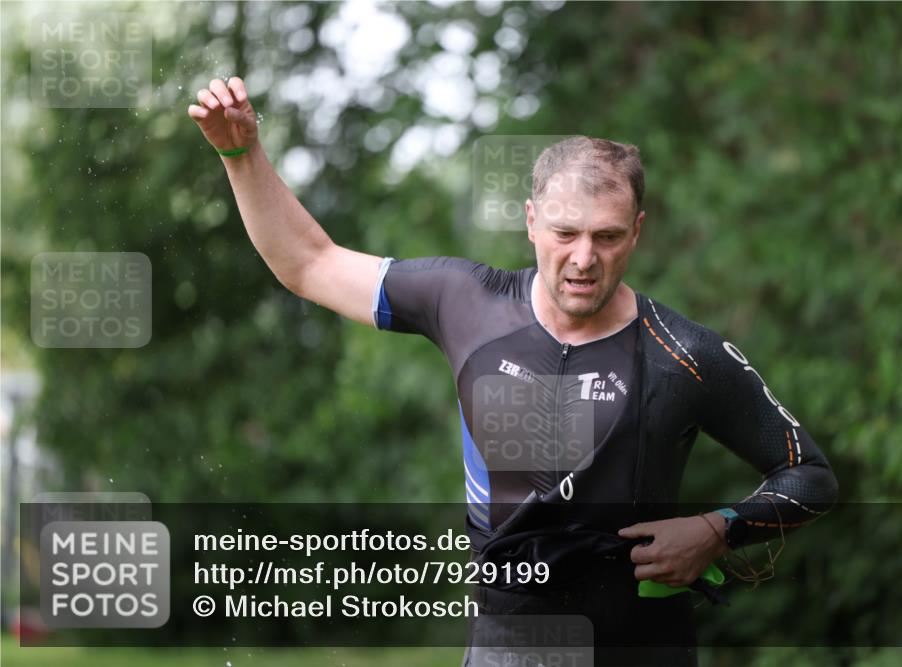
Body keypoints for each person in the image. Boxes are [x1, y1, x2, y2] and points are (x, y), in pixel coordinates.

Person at [189, 77, 839, 666]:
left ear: (637, 232)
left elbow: (810, 475)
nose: (584, 257)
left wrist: (718, 529)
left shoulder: (682, 354)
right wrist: (242, 156)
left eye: (607, 236)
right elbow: (308, 262)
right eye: (565, 232)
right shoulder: (464, 301)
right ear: (531, 222)